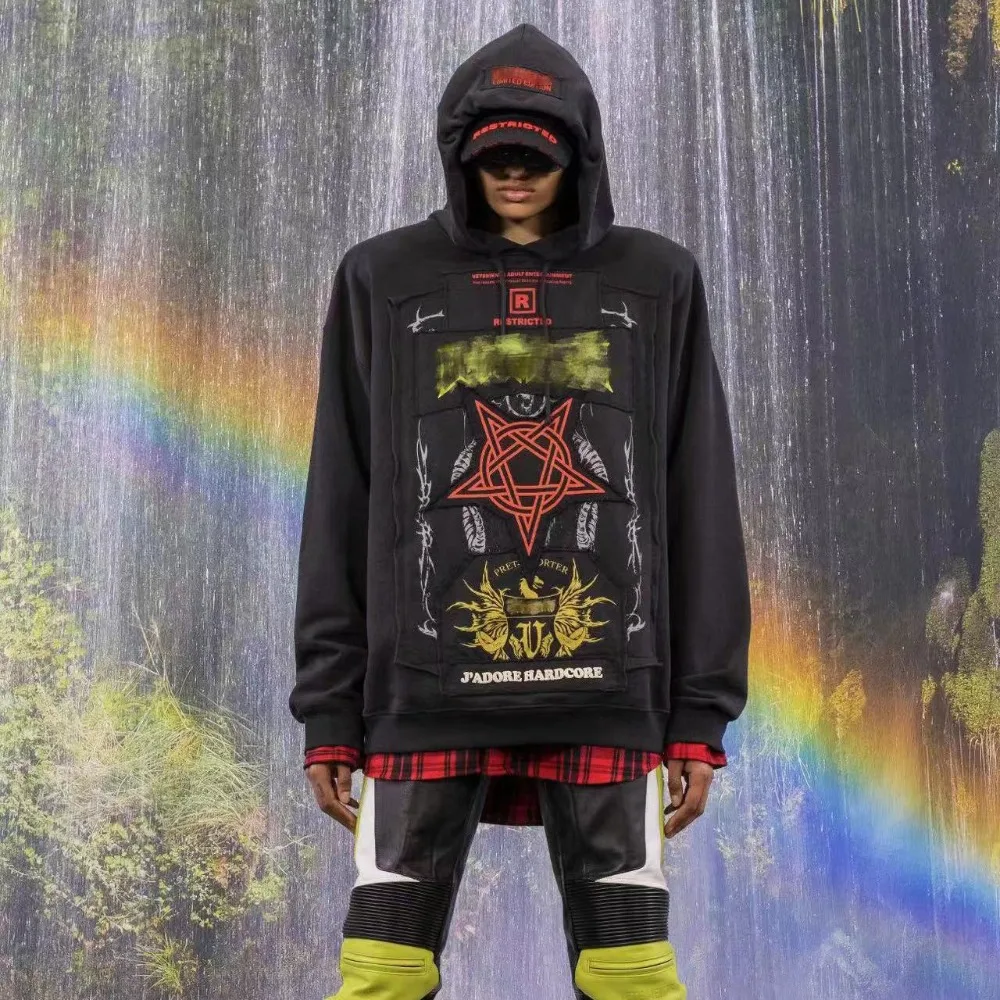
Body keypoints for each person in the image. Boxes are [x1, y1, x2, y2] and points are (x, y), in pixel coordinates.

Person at [290, 22, 751, 1000]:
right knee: (381, 972)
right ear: (458, 155)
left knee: (630, 975)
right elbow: (342, 496)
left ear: (579, 156)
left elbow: (698, 493)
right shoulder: (383, 279)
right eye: (491, 154)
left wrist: (698, 713)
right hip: (418, 700)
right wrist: (330, 712)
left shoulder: (656, 282)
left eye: (534, 156)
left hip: (611, 693)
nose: (511, 173)